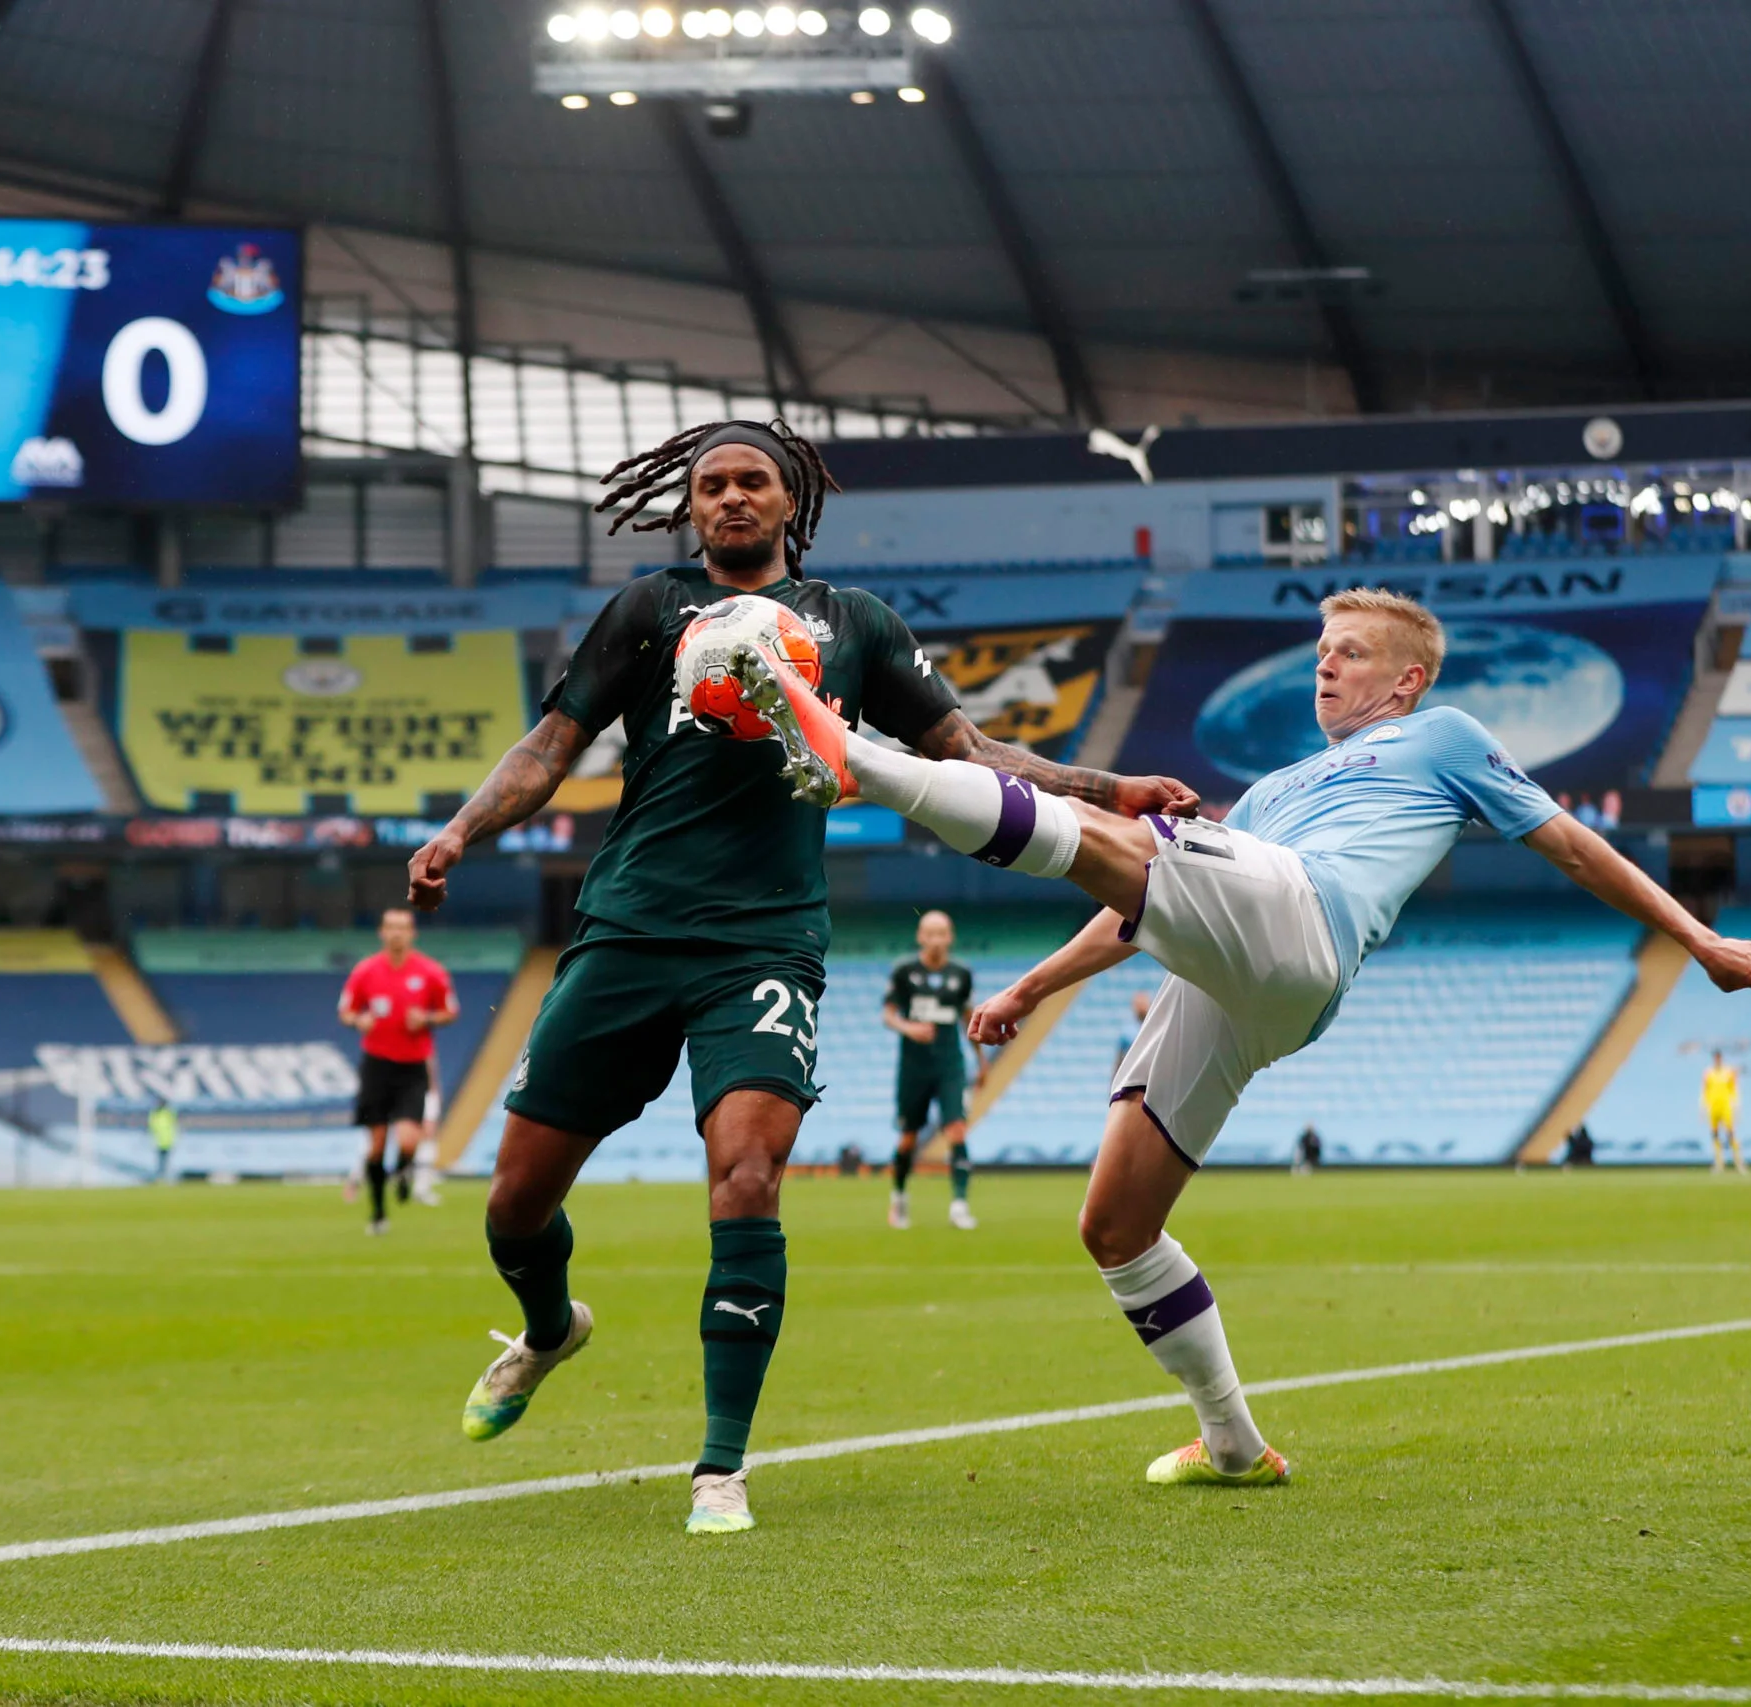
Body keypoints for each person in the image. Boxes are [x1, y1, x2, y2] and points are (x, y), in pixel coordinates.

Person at [731, 585, 1751, 1489]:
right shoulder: (1274, 789)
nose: (1325, 666)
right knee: (1115, 1225)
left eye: (1349, 653)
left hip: (1308, 923)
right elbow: (1151, 899)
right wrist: (1031, 986)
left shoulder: (1444, 737)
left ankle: (859, 762)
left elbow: (1574, 846)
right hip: (1240, 975)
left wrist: (1697, 938)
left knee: (1142, 840)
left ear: (1406, 682)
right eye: (1321, 652)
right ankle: (1232, 1443)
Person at [405, 418, 1194, 1535]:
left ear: (790, 502)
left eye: (752, 481)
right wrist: (458, 831)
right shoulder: (647, 610)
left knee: (747, 1175)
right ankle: (547, 1331)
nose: (731, 497)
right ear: (690, 507)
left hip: (765, 943)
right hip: (627, 931)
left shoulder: (854, 624)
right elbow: (548, 747)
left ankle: (718, 1469)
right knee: (514, 1204)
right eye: (711, 485)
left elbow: (971, 758)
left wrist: (1109, 790)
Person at [338, 907, 459, 1234]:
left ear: (412, 933)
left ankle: (404, 1170)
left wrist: (428, 1018)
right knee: (376, 1144)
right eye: (390, 927)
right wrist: (358, 1020)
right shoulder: (365, 971)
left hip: (412, 1067)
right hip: (376, 1065)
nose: (396, 933)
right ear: (381, 932)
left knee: (408, 1139)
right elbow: (346, 1011)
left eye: (402, 927)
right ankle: (378, 1214)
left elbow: (450, 1011)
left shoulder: (430, 972)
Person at [883, 909, 988, 1231]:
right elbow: (888, 1015)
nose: (937, 940)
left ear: (950, 937)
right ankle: (899, 1197)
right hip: (914, 1066)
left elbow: (968, 1019)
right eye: (931, 934)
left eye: (942, 933)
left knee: (956, 1129)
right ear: (920, 936)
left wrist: (982, 1061)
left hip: (949, 1064)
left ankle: (959, 1205)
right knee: (908, 1138)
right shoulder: (904, 971)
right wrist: (910, 1028)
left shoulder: (961, 974)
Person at [1701, 1049, 1743, 1174]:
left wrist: (1736, 1105)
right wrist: (1703, 1106)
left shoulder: (1728, 1072)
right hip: (1714, 1107)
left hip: (1726, 1107)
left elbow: (1734, 1089)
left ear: (1721, 1058)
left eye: (1719, 1057)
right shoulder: (1708, 1073)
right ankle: (1719, 1163)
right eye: (1716, 1058)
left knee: (1731, 1134)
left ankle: (1738, 1162)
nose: (1717, 1060)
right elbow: (1705, 1090)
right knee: (1715, 1135)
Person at [149, 1100, 178, 1179]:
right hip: (160, 1141)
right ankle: (161, 1175)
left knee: (165, 1160)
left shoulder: (166, 1113)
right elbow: (152, 1126)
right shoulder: (156, 1114)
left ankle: (164, 1175)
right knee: (160, 1160)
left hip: (167, 1140)